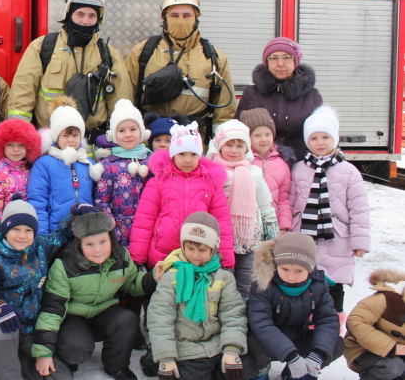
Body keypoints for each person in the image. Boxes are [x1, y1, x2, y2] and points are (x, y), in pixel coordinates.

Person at [31, 209, 159, 380]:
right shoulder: (64, 266)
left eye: (103, 241)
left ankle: (116, 366)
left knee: (127, 319)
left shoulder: (121, 258)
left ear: (111, 239)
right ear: (79, 244)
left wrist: (153, 277)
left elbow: (133, 283)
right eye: (89, 244)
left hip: (104, 313)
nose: (98, 249)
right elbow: (52, 309)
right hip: (73, 316)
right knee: (75, 348)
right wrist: (43, 352)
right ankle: (68, 357)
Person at [7, 0, 133, 139]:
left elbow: (120, 103)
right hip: (49, 140)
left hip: (92, 144)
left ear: (99, 19)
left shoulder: (109, 54)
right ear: (69, 14)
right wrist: (17, 137)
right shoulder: (42, 47)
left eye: (92, 15)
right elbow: (21, 97)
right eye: (80, 14)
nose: (85, 21)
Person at [0, 197, 79, 380]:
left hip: (33, 327)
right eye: (15, 229)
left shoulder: (40, 247)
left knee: (61, 377)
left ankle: (24, 360)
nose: (22, 236)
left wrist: (75, 212)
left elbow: (62, 234)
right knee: (2, 330)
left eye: (28, 230)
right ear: (5, 230)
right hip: (6, 322)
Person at [290, 105, 370, 324]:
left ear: (335, 139)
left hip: (338, 238)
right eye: (314, 138)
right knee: (305, 283)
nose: (320, 143)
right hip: (305, 237)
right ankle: (307, 325)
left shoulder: (349, 171)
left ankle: (333, 326)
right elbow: (290, 203)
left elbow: (359, 208)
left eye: (326, 137)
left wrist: (360, 240)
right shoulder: (298, 169)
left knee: (334, 284)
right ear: (307, 141)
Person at [146, 212, 248, 380]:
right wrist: (166, 358)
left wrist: (232, 348)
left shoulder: (224, 279)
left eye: (202, 249)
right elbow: (160, 319)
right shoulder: (171, 277)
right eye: (190, 248)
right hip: (186, 351)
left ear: (213, 249)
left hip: (218, 346)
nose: (195, 255)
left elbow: (233, 314)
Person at [126, 0, 236, 141]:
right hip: (153, 137)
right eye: (174, 15)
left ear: (196, 18)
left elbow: (224, 108)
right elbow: (126, 95)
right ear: (165, 18)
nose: (181, 20)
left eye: (187, 15)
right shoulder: (142, 52)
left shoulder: (214, 57)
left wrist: (222, 143)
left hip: (195, 138)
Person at [129, 121, 235, 270]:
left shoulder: (211, 184)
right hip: (163, 256)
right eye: (182, 154)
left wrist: (225, 261)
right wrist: (138, 258)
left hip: (198, 256)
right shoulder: (158, 182)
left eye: (193, 154)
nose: (187, 160)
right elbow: (144, 221)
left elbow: (221, 223)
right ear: (173, 155)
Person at [244, 232, 343, 380]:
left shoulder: (318, 284)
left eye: (298, 271)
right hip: (264, 342)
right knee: (248, 347)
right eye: (285, 269)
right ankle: (261, 371)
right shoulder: (263, 285)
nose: (291, 277)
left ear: (309, 269)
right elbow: (261, 324)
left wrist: (318, 354)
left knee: (335, 343)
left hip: (297, 336)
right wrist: (291, 356)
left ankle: (296, 373)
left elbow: (327, 319)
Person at [205, 120, 278, 298]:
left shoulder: (253, 171)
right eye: (228, 145)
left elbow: (265, 203)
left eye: (239, 146)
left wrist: (272, 235)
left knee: (246, 281)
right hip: (220, 237)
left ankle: (245, 316)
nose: (233, 150)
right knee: (221, 280)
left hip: (249, 238)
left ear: (246, 149)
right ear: (219, 146)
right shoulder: (210, 171)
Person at [27, 95, 103, 236]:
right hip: (56, 230)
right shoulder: (44, 164)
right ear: (56, 136)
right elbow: (37, 200)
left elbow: (98, 197)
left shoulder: (89, 163)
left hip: (85, 230)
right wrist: (42, 235)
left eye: (75, 135)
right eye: (65, 136)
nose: (71, 140)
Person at [236, 37, 323, 158]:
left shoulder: (311, 95)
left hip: (300, 162)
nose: (280, 64)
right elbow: (237, 132)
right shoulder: (251, 93)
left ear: (295, 61)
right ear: (267, 62)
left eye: (287, 57)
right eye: (274, 58)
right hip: (261, 162)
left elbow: (324, 132)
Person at [94, 99, 153, 248]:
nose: (128, 135)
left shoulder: (150, 162)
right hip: (117, 231)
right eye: (122, 130)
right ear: (113, 135)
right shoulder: (108, 166)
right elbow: (101, 202)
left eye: (133, 129)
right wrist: (113, 232)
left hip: (146, 229)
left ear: (142, 132)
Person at [0, 119, 42, 253]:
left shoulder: (32, 171)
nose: (16, 149)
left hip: (28, 239)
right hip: (5, 242)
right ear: (1, 146)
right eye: (10, 144)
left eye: (21, 145)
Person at [240, 107, 295, 234]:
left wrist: (284, 226)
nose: (264, 139)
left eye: (268, 134)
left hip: (272, 224)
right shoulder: (244, 162)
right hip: (248, 225)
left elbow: (283, 199)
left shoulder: (282, 163)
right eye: (257, 135)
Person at [344, 268, 405, 380]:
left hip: (397, 353)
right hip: (363, 349)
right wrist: (391, 347)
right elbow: (356, 321)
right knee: (394, 367)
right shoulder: (388, 298)